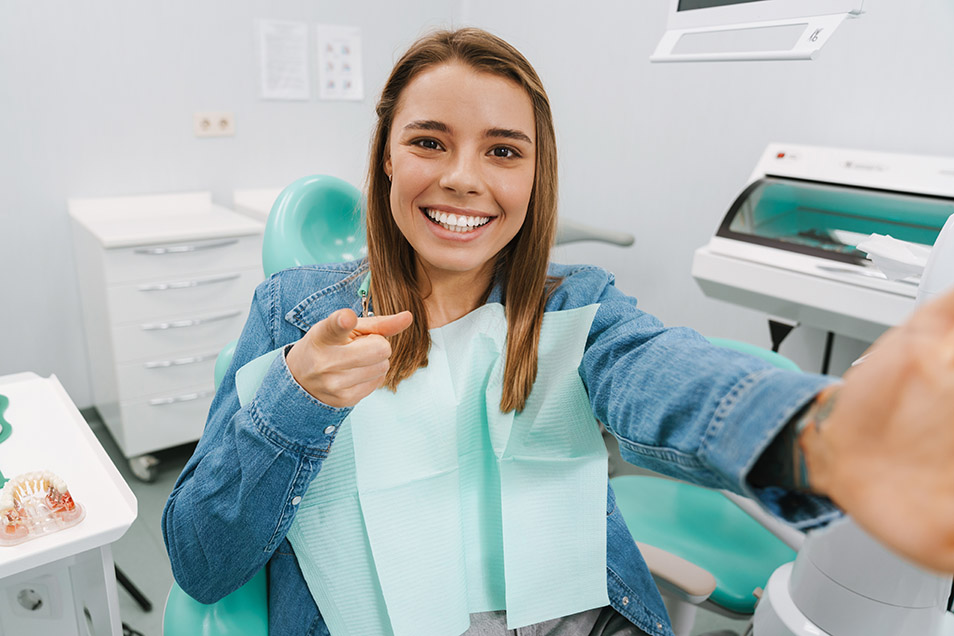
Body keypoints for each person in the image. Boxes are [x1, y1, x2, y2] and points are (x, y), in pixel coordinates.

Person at [162, 27, 954, 636]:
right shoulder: (292, 314)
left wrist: (818, 433)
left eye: (502, 150)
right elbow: (201, 559)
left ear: (534, 176)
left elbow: (664, 376)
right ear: (386, 162)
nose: (464, 176)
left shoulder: (578, 307)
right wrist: (295, 399)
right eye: (429, 141)